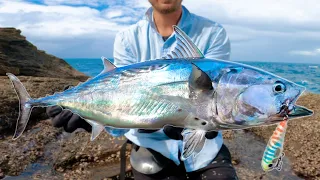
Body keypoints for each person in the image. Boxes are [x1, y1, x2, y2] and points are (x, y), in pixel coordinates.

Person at [46, 0, 238, 179]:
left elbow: (219, 97)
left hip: (206, 147)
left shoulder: (212, 32)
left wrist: (196, 120)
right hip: (151, 146)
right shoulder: (128, 38)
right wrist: (95, 116)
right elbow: (123, 100)